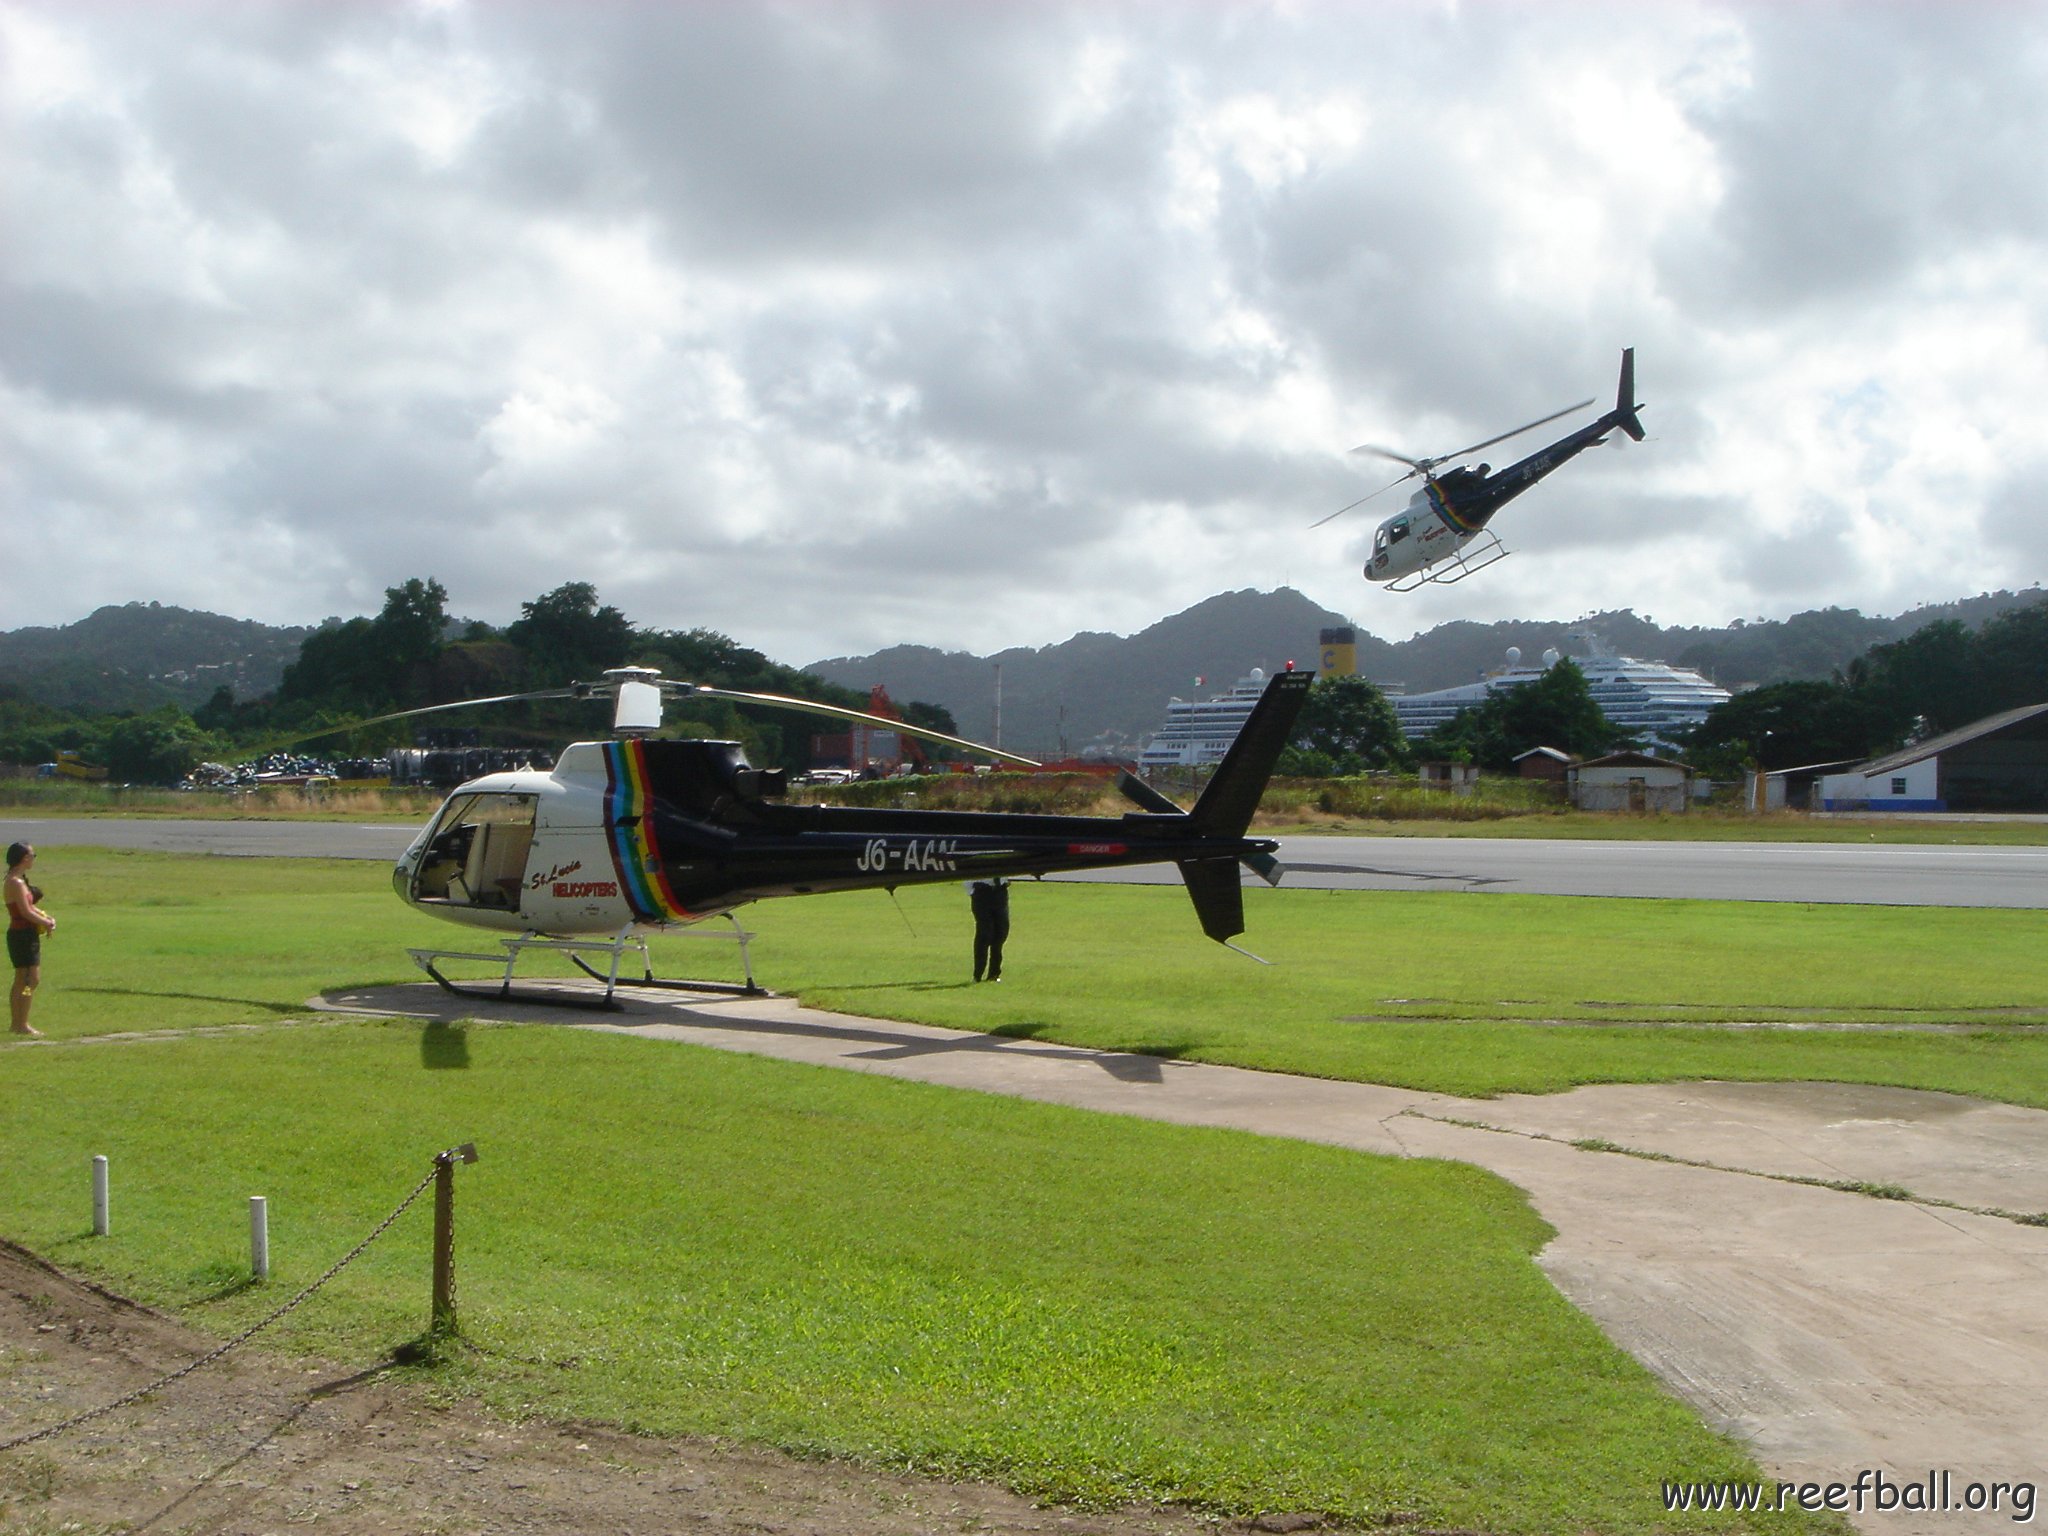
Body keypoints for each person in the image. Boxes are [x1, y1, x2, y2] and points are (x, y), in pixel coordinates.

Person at [7, 842, 56, 1037]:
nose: (34, 859)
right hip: (21, 935)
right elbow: (25, 912)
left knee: (23, 980)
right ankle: (21, 1023)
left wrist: (47, 918)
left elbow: (30, 907)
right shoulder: (15, 882)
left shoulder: (19, 880)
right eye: (32, 855)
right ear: (24, 858)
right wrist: (47, 923)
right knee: (30, 980)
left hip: (25, 934)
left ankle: (18, 1022)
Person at [969, 876, 1010, 983]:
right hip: (982, 891)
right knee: (985, 933)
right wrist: (972, 892)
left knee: (1000, 932)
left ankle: (994, 973)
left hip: (1000, 890)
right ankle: (977, 974)